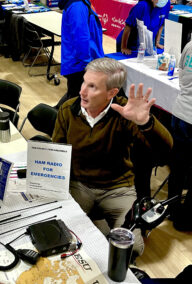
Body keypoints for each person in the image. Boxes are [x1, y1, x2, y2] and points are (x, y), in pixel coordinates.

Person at [52, 57, 173, 257]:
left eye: (92, 87)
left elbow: (166, 150)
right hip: (79, 184)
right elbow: (57, 152)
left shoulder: (126, 112)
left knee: (131, 247)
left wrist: (146, 123)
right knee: (61, 236)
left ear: (112, 93)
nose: (82, 91)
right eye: (84, 82)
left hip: (117, 188)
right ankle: (96, 224)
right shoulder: (68, 110)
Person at [55, 0, 104, 108]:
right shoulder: (78, 6)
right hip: (80, 64)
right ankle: (52, 121)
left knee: (73, 98)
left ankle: (53, 118)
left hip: (80, 62)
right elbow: (80, 38)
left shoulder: (81, 3)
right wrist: (87, 65)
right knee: (75, 104)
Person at [167, 39, 192, 231]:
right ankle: (185, 219)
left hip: (180, 112)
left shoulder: (190, 44)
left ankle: (172, 209)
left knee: (178, 168)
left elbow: (182, 71)